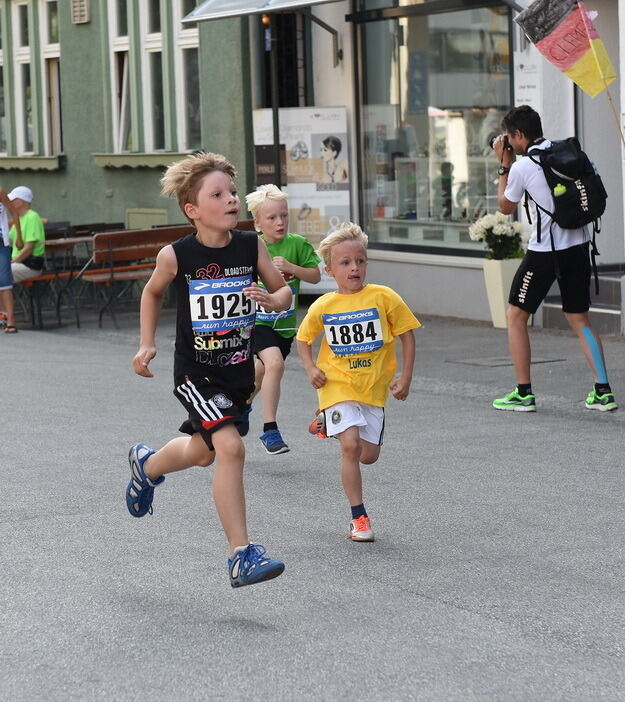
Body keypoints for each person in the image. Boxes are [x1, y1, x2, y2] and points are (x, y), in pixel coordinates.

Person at [126, 152, 292, 588]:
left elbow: (284, 292)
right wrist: (147, 343)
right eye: (218, 194)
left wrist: (275, 301)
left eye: (233, 192)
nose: (231, 199)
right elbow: (151, 293)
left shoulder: (250, 246)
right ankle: (241, 555)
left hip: (238, 373)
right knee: (232, 449)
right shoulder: (176, 255)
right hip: (196, 374)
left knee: (204, 453)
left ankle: (148, 465)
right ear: (193, 210)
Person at [296, 223, 419, 542]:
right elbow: (303, 338)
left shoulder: (384, 297)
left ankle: (329, 425)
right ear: (329, 270)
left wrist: (405, 376)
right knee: (350, 447)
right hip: (336, 386)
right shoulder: (324, 305)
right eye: (345, 263)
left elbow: (407, 335)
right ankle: (359, 517)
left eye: (360, 261)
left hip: (373, 389)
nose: (354, 268)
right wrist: (311, 369)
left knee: (368, 455)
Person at [490, 104, 617, 413]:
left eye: (510, 138)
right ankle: (603, 391)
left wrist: (504, 165)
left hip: (545, 252)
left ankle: (523, 392)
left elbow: (505, 207)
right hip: (579, 246)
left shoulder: (522, 166)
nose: (510, 144)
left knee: (516, 316)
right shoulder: (569, 153)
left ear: (519, 135)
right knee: (579, 318)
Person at [245, 184, 322, 455]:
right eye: (271, 218)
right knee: (274, 364)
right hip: (257, 323)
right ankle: (270, 430)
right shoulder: (251, 246)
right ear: (257, 222)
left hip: (286, 326)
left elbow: (315, 276)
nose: (280, 222)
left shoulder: (297, 244)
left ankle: (241, 408)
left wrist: (292, 268)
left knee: (262, 371)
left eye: (284, 216)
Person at [8, 187, 46, 286]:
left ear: (20, 202)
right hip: (19, 264)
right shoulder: (18, 218)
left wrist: (11, 263)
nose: (9, 203)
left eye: (12, 200)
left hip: (29, 266)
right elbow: (9, 240)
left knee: (3, 272)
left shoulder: (32, 217)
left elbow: (29, 249)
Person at [0, 186, 22, 334]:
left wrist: (19, 236)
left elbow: (14, 211)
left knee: (4, 280)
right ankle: (2, 316)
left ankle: (11, 320)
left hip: (2, 243)